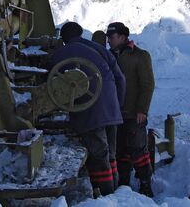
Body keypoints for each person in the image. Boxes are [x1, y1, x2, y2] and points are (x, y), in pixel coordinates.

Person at [50, 22, 125, 196]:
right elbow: (120, 79)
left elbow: (51, 86)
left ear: (63, 39)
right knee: (111, 155)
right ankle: (119, 194)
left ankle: (108, 196)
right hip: (112, 109)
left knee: (99, 157)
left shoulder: (60, 54)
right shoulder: (99, 49)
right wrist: (117, 105)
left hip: (89, 111)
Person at [106, 22, 155, 197]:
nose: (109, 41)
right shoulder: (108, 56)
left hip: (134, 113)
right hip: (115, 114)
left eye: (111, 37)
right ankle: (123, 183)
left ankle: (145, 183)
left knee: (138, 149)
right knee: (120, 150)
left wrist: (142, 110)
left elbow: (147, 85)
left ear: (122, 37)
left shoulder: (140, 56)